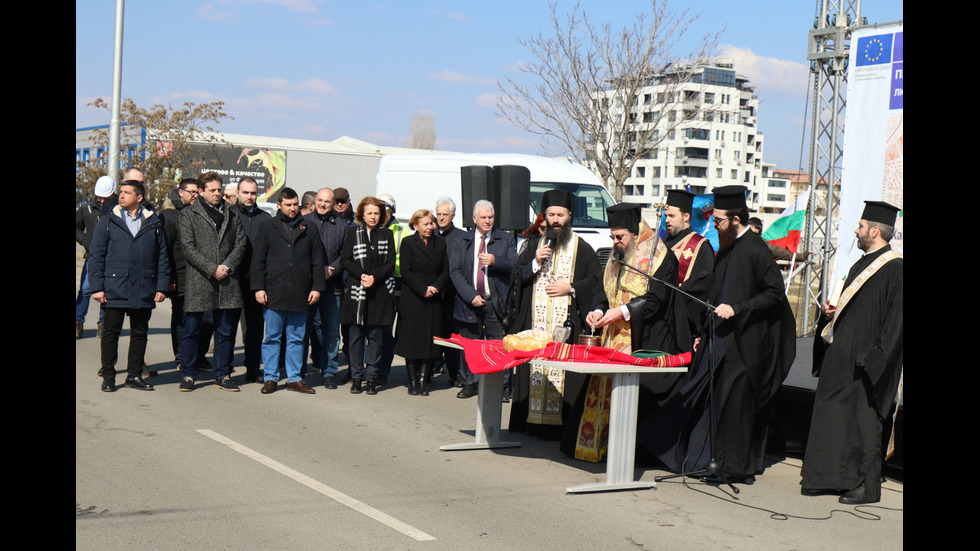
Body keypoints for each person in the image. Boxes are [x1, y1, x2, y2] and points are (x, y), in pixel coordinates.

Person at [662, 185, 796, 481]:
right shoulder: (726, 247)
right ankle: (706, 461)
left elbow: (775, 293)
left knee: (736, 408)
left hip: (746, 344)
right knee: (712, 402)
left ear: (736, 220)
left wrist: (737, 308)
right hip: (719, 338)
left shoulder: (757, 250)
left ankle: (735, 469)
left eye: (719, 220)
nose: (714, 225)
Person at [566, 203, 688, 462]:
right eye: (612, 237)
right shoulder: (616, 253)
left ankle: (622, 452)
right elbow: (602, 289)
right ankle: (597, 448)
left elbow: (657, 299)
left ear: (635, 234)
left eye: (619, 237)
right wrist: (598, 310)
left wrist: (622, 311)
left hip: (642, 336)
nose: (615, 241)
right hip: (611, 337)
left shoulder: (660, 256)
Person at [801, 201, 903, 505]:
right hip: (841, 359)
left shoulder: (896, 268)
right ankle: (831, 478)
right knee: (834, 417)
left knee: (864, 424)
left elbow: (897, 322)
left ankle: (865, 487)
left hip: (867, 363)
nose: (856, 232)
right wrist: (831, 316)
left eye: (860, 227)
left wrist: (876, 361)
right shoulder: (860, 264)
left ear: (873, 231)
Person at [508, 190, 601, 437]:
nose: (556, 220)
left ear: (570, 216)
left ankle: (561, 428)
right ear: (545, 216)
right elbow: (516, 280)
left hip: (566, 329)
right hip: (535, 326)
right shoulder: (534, 246)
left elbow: (595, 282)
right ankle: (531, 424)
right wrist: (534, 263)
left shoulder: (583, 248)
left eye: (560, 214)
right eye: (551, 215)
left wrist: (570, 288)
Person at [88, 180, 169, 392]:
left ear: (139, 197)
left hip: (144, 286)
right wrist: (97, 287)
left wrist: (161, 286)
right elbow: (97, 256)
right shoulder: (107, 221)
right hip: (114, 285)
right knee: (110, 333)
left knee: (140, 333)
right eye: (121, 192)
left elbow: (162, 257)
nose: (121, 196)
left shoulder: (153, 222)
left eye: (126, 193)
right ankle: (108, 375)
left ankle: (133, 375)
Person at [251, 187, 324, 395]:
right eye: (288, 205)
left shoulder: (309, 228)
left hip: (301, 292)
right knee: (272, 337)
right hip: (274, 291)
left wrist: (317, 287)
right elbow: (258, 261)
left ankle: (294, 378)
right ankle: (271, 377)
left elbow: (317, 262)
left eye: (295, 205)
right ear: (279, 205)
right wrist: (258, 288)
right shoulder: (267, 227)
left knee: (297, 338)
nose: (292, 208)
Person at [178, 172, 247, 392]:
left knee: (225, 332)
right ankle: (188, 374)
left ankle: (222, 374)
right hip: (201, 280)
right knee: (192, 329)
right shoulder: (189, 214)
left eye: (219, 189)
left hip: (227, 281)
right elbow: (189, 248)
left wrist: (226, 267)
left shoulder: (232, 214)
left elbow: (240, 244)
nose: (217, 194)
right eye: (212, 190)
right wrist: (211, 269)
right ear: (201, 191)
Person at [448, 200, 517, 399]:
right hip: (470, 302)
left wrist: (496, 261)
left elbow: (515, 266)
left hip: (496, 302)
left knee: (498, 345)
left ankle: (501, 387)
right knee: (471, 345)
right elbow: (455, 271)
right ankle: (470, 382)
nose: (487, 221)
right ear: (474, 219)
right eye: (484, 218)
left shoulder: (504, 239)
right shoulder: (463, 240)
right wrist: (471, 296)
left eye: (491, 217)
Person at [340, 197, 396, 395]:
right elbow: (346, 260)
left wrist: (374, 277)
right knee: (355, 337)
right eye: (369, 213)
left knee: (376, 338)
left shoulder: (386, 234)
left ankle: (371, 377)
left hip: (379, 290)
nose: (373, 217)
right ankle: (356, 377)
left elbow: (389, 263)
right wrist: (362, 275)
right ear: (362, 214)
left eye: (376, 213)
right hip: (357, 290)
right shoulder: (352, 232)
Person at [394, 209, 449, 396]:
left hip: (433, 298)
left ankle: (423, 381)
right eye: (425, 224)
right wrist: (423, 288)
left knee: (429, 341)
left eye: (431, 223)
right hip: (414, 298)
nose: (430, 227)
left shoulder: (440, 243)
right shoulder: (408, 242)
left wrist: (435, 287)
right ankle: (412, 381)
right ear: (415, 225)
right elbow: (406, 271)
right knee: (412, 341)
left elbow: (445, 270)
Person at [303, 187, 347, 389]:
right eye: (320, 200)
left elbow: (345, 255)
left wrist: (333, 269)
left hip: (332, 286)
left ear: (332, 204)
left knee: (331, 333)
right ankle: (299, 371)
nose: (322, 204)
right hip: (307, 286)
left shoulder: (343, 225)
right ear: (314, 202)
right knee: (302, 331)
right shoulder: (304, 222)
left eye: (327, 202)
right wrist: (317, 270)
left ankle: (329, 372)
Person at [159, 178, 202, 369]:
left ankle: (195, 356)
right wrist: (169, 278)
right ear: (180, 192)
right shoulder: (169, 217)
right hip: (179, 278)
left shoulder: (197, 213)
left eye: (196, 192)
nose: (194, 195)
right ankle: (181, 357)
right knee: (181, 317)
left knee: (203, 319)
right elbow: (165, 251)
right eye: (191, 192)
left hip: (199, 277)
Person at [661, 189, 714, 341]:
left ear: (686, 216)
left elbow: (702, 285)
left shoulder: (700, 246)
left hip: (683, 321)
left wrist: (671, 299)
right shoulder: (662, 243)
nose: (667, 220)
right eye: (666, 216)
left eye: (672, 216)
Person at [234, 177, 272, 382]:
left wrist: (256, 271)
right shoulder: (229, 215)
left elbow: (269, 249)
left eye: (253, 193)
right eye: (246, 192)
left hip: (256, 281)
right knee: (228, 327)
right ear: (237, 193)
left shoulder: (265, 218)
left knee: (255, 328)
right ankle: (223, 370)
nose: (249, 196)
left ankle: (253, 368)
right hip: (232, 279)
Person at [76, 175, 115, 339]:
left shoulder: (119, 209)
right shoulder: (87, 209)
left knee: (108, 292)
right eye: (99, 196)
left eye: (105, 197)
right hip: (93, 257)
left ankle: (103, 323)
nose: (101, 200)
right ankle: (78, 322)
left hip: (113, 258)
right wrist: (86, 241)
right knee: (85, 290)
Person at [433, 196, 463, 387]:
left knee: (453, 338)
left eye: (445, 214)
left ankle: (456, 374)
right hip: (433, 294)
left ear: (453, 215)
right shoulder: (431, 233)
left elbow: (458, 268)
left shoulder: (460, 236)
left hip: (453, 295)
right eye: (439, 214)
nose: (441, 217)